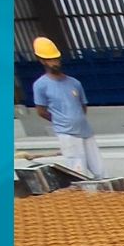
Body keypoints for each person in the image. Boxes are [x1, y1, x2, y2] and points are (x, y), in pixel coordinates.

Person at [31, 37, 104, 179]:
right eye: (50, 60)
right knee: (78, 172)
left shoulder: (74, 83)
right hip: (67, 134)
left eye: (56, 59)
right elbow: (41, 110)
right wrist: (60, 120)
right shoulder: (41, 85)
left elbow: (82, 106)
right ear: (42, 61)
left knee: (99, 170)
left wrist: (76, 119)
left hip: (85, 131)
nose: (55, 63)